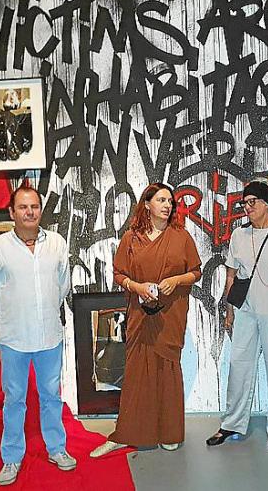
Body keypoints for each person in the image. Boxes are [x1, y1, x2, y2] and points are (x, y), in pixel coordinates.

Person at [90, 183, 201, 457]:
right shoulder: (132, 238)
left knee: (167, 370)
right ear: (147, 205)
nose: (167, 205)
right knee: (137, 373)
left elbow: (195, 272)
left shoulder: (181, 237)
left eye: (170, 201)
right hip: (140, 314)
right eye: (161, 200)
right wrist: (137, 287)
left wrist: (176, 280)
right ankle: (128, 432)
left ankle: (169, 432)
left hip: (170, 314)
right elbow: (119, 274)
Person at [0, 185, 76, 486]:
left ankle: (56, 449)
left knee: (51, 397)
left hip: (49, 337)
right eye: (23, 207)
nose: (29, 212)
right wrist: (9, 317)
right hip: (14, 339)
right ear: (12, 212)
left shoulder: (57, 244)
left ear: (40, 210)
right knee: (14, 400)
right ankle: (11, 457)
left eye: (34, 206)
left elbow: (62, 285)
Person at [206, 180, 268, 452]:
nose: (247, 207)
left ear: (267, 204)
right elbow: (231, 275)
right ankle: (232, 423)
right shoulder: (239, 235)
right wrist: (229, 310)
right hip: (245, 311)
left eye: (252, 202)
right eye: (244, 203)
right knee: (238, 366)